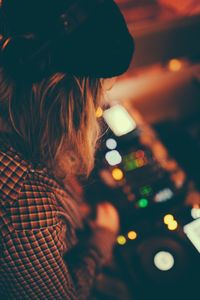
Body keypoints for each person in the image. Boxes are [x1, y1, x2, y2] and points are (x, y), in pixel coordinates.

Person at [0, 0, 134, 299]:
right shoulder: (25, 211)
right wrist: (102, 239)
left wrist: (74, 211)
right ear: (68, 99)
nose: (99, 105)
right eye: (100, 91)